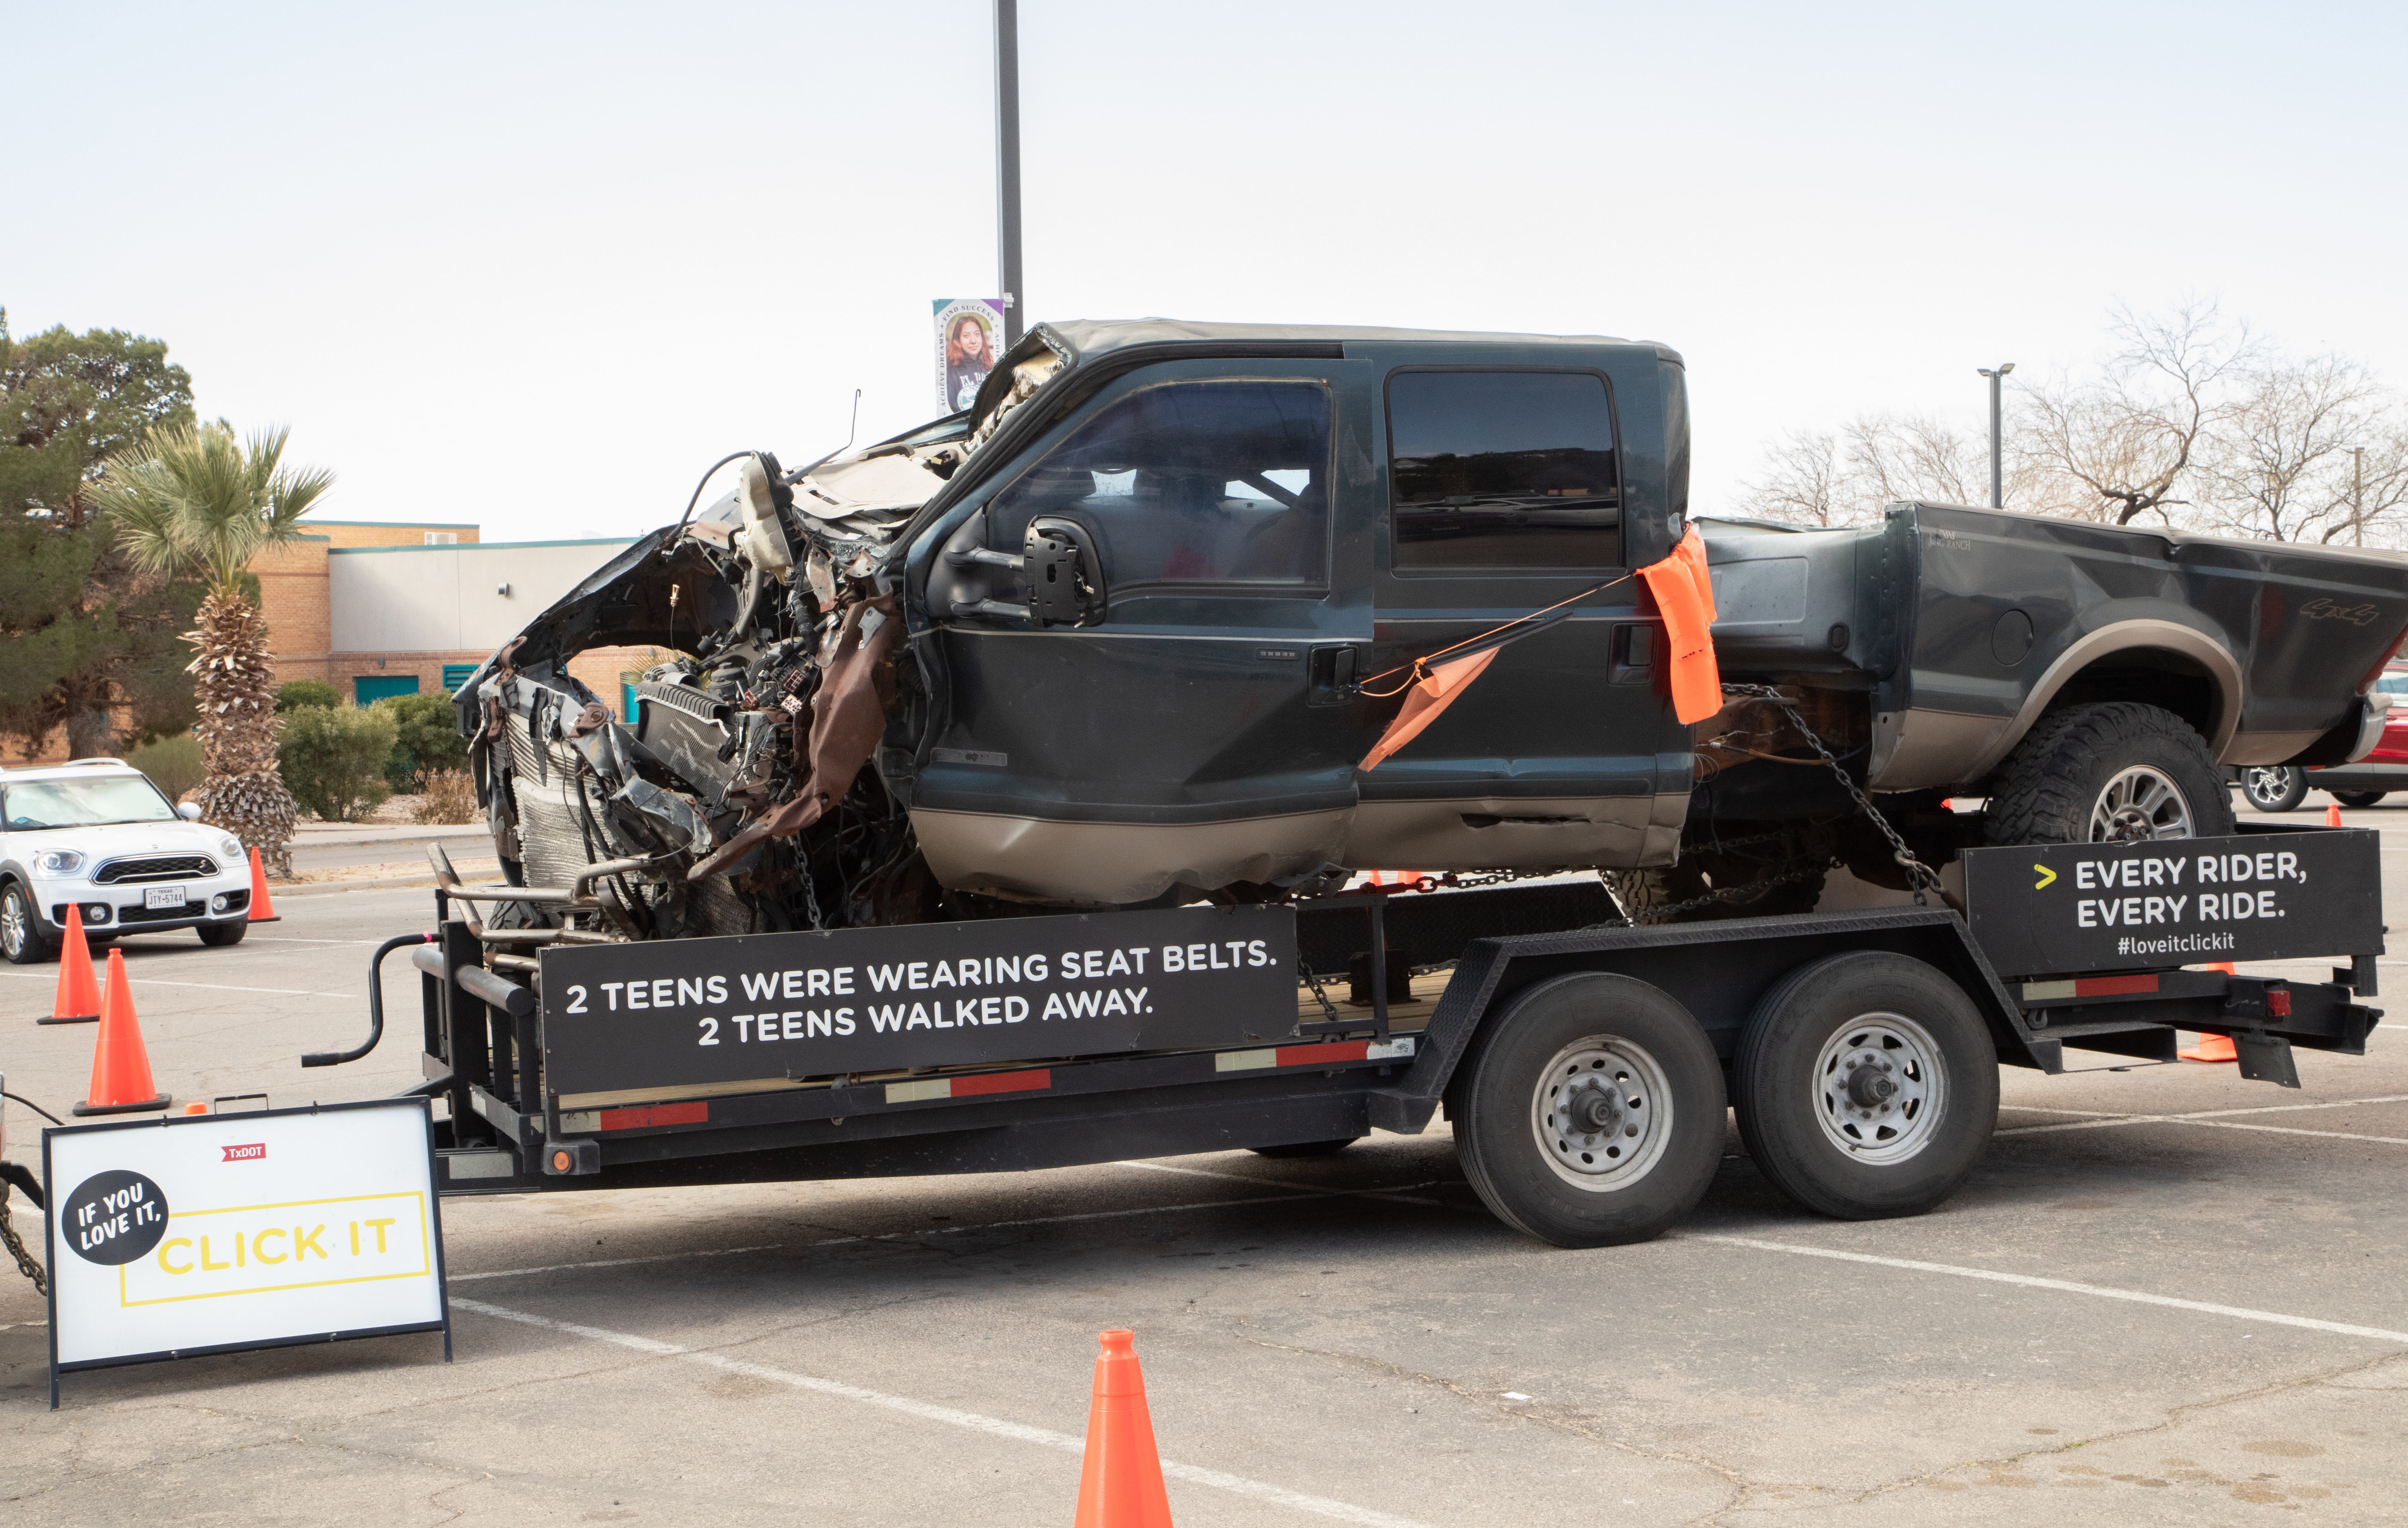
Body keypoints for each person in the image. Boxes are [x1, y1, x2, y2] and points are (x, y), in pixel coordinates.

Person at [945, 313, 994, 412]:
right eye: (966, 336)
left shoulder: (989, 368)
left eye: (977, 335)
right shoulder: (951, 371)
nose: (973, 341)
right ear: (958, 340)